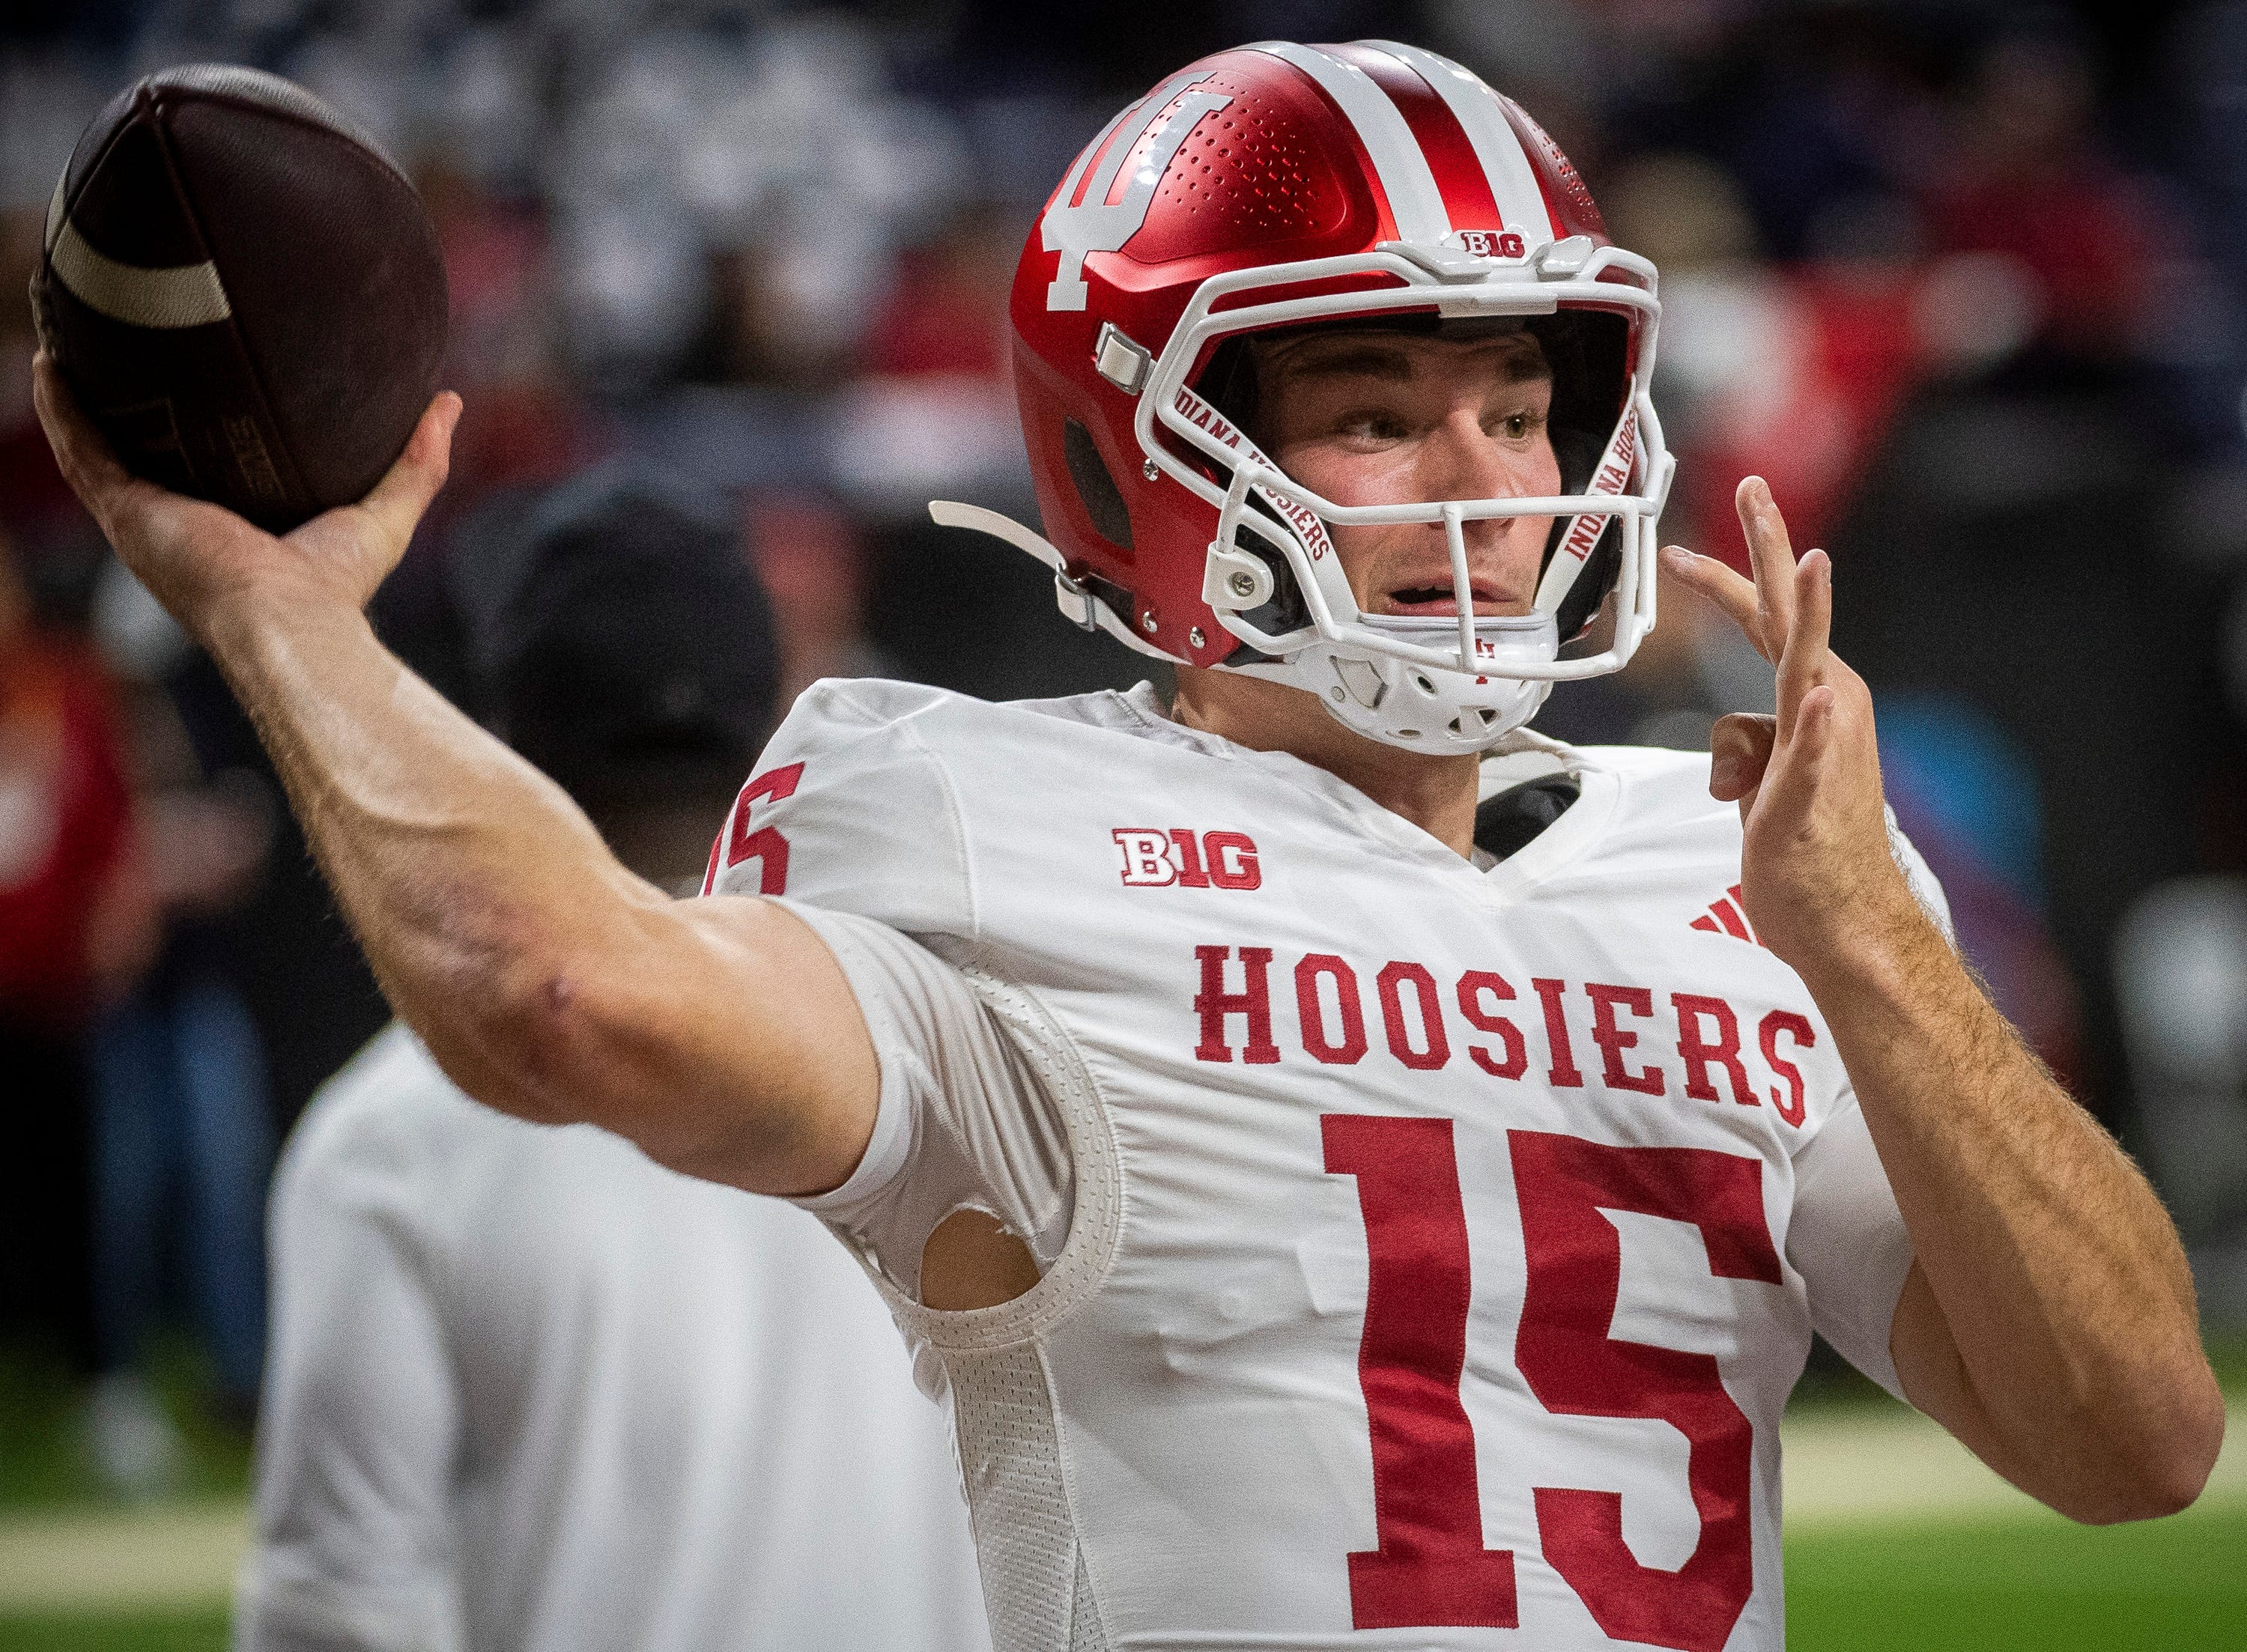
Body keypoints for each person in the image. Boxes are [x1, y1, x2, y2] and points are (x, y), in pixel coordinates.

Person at [35, 40, 2222, 1652]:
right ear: (1141, 461)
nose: (1488, 483)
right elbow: (556, 989)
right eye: (1378, 415)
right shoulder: (988, 827)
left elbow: (2136, 1439)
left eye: (1519, 402)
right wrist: (281, 616)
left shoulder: (1731, 869)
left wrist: (1878, 954)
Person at [231, 468, 989, 1652]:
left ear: (499, 748)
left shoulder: (390, 1134)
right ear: (779, 715)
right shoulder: (976, 1048)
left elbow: (341, 1612)